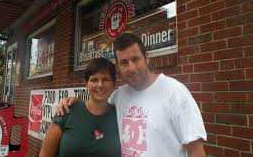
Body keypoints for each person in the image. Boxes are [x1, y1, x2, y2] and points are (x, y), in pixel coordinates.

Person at [57, 33, 207, 157]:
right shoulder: (118, 96)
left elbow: (196, 150)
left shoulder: (175, 92)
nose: (131, 68)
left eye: (135, 59)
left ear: (146, 57)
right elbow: (96, 106)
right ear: (118, 66)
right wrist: (75, 103)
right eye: (124, 63)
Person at [39, 58, 121, 157]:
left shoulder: (119, 116)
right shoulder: (67, 110)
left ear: (114, 84)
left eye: (106, 79)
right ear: (86, 84)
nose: (100, 85)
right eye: (94, 80)